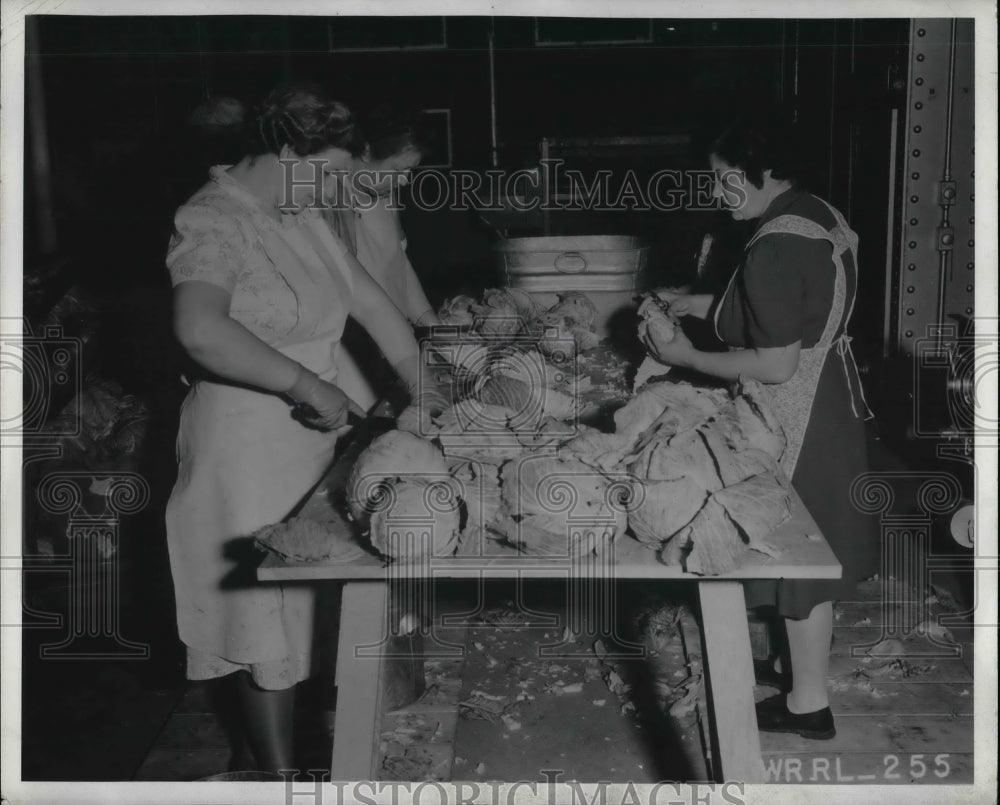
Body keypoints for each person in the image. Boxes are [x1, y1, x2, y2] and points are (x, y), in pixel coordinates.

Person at [165, 83, 442, 773]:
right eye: (333, 171)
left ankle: (317, 754)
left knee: (312, 608)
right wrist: (303, 382)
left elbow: (376, 309)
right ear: (289, 151)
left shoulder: (301, 209)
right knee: (265, 629)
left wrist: (427, 392)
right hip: (245, 447)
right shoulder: (212, 218)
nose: (342, 188)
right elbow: (199, 328)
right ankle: (281, 778)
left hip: (311, 441)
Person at [639, 116, 876, 741]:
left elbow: (774, 361)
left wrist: (684, 357)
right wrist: (705, 306)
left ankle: (808, 706)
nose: (718, 192)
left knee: (797, 553)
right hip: (832, 396)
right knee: (814, 548)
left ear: (764, 174)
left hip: (794, 413)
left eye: (724, 179)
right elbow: (797, 308)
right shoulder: (813, 213)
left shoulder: (772, 244)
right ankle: (792, 664)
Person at [325, 109, 441, 412]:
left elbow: (397, 263)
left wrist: (431, 322)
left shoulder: (384, 195)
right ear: (364, 152)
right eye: (398, 169)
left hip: (390, 342)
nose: (404, 181)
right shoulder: (329, 198)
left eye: (410, 172)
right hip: (347, 347)